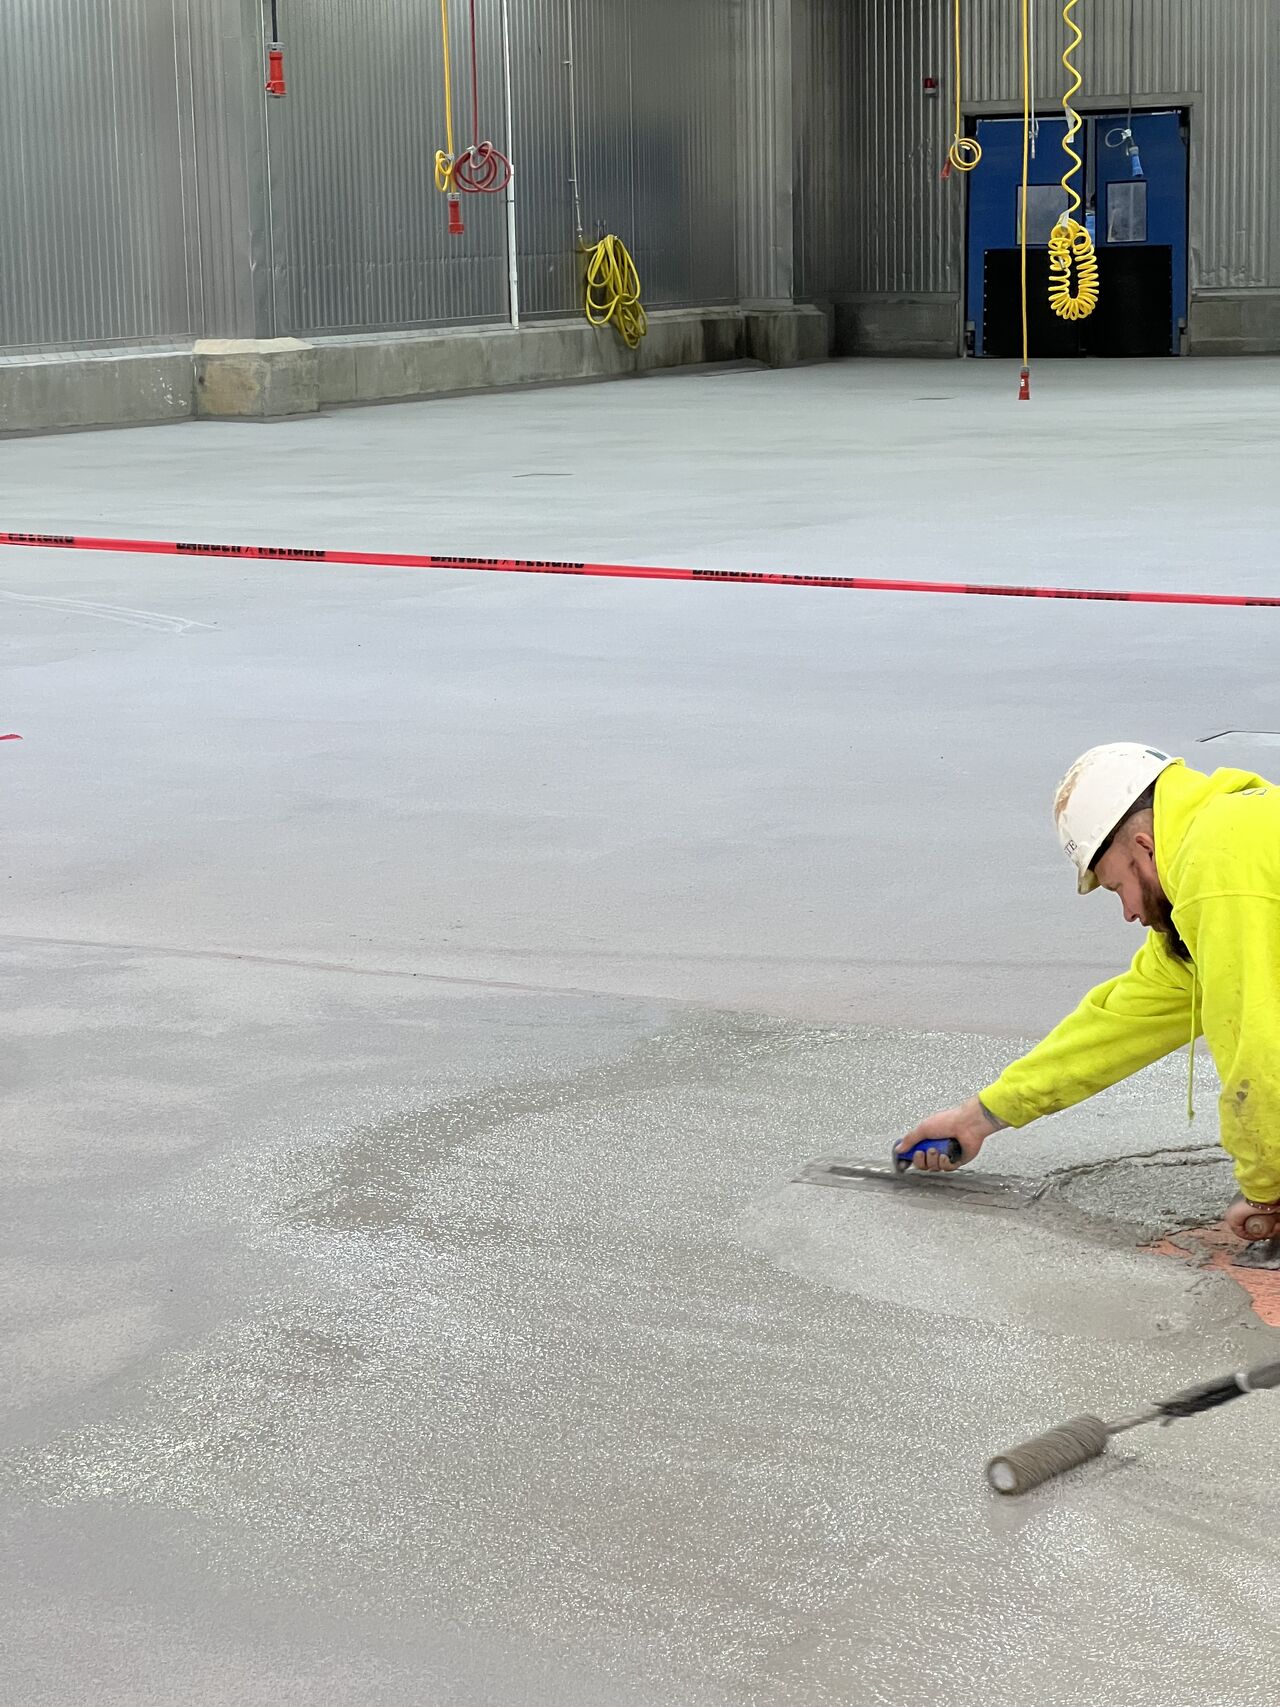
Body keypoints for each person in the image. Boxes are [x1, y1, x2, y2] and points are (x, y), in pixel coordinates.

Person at [897, 743, 1280, 1243]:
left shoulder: (1219, 871)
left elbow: (1256, 1048)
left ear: (1144, 846)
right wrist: (978, 1117)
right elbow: (1116, 1025)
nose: (1129, 913)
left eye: (1118, 887)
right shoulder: (1231, 845)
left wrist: (1266, 1189)